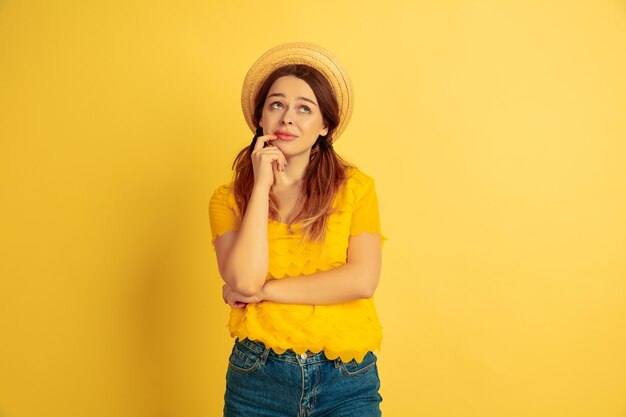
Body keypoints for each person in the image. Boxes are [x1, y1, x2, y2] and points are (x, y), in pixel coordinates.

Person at [209, 42, 386, 417]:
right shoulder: (227, 201)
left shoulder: (355, 189)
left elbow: (361, 280)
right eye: (277, 105)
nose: (288, 118)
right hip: (258, 377)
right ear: (260, 118)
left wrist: (263, 292)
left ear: (324, 126)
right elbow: (243, 278)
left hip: (346, 376)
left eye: (304, 108)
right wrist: (259, 186)